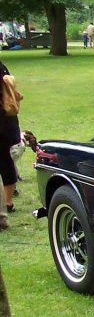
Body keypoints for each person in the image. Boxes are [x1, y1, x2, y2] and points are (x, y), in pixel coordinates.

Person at [0, 60, 22, 215]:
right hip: (7, 121)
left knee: (6, 162)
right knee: (7, 162)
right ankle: (8, 203)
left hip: (4, 122)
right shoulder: (2, 68)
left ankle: (6, 204)